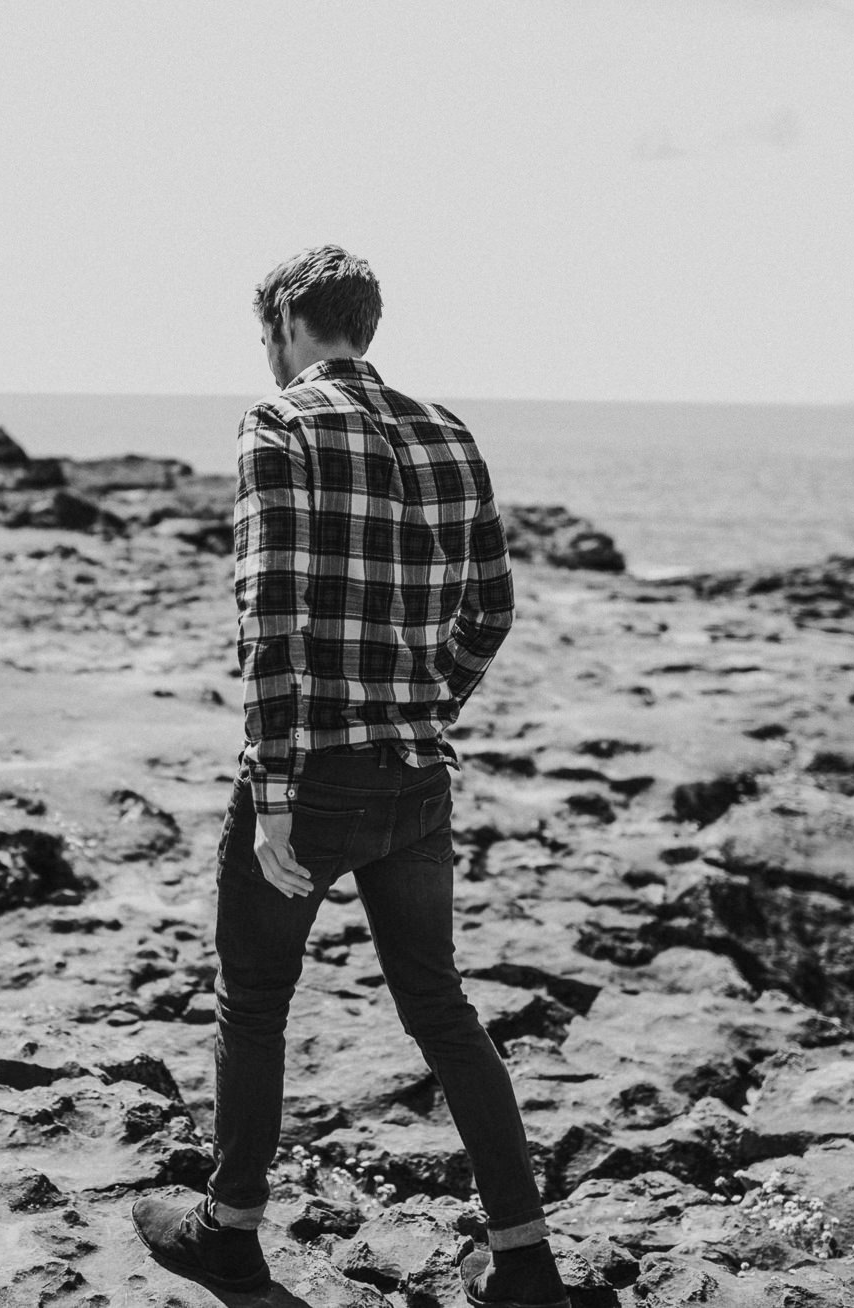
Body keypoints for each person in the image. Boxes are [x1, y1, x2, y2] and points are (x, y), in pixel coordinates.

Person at [132, 248, 568, 1307]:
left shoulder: (277, 423)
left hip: (312, 780)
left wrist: (275, 790)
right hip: (416, 780)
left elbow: (268, 608)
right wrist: (425, 703)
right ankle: (525, 1260)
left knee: (253, 1000)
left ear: (288, 322)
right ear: (363, 325)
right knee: (440, 1008)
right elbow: (493, 610)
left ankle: (228, 1233)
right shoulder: (448, 430)